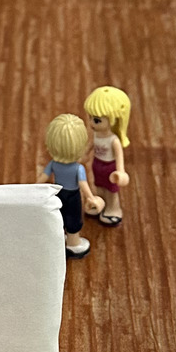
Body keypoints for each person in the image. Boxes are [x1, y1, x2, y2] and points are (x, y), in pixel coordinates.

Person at [43, 114, 103, 257]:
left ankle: (60, 239)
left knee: (59, 216)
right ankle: (73, 243)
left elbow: (43, 177)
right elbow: (83, 184)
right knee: (73, 219)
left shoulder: (53, 164)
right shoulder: (78, 168)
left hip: (58, 193)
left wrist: (33, 188)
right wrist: (91, 197)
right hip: (73, 196)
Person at [84, 85, 131, 228]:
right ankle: (101, 204)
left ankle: (113, 209)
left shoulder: (113, 140)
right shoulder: (97, 134)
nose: (91, 123)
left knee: (111, 191)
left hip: (110, 168)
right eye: (90, 118)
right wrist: (82, 155)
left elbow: (119, 157)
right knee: (99, 188)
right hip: (97, 164)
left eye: (96, 120)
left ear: (113, 119)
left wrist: (120, 171)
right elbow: (90, 146)